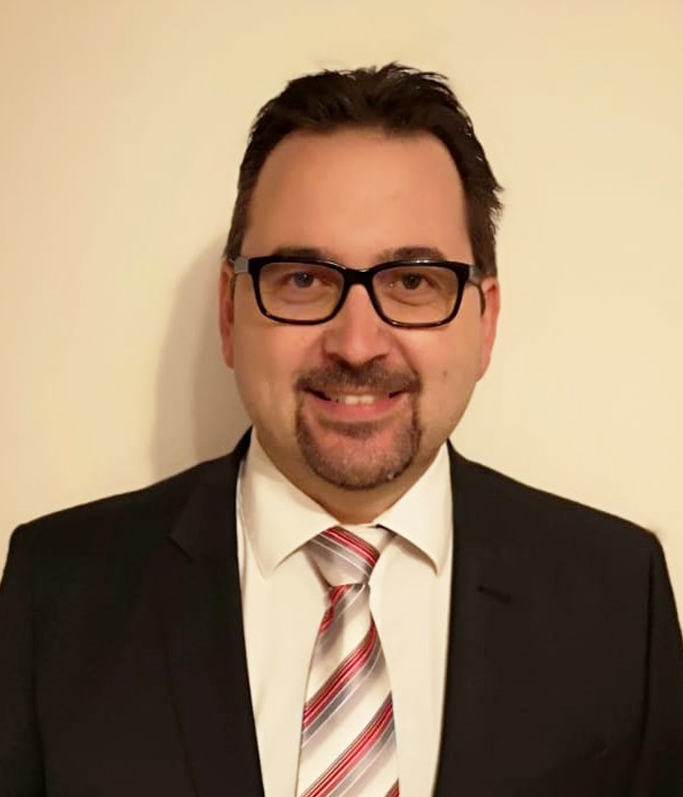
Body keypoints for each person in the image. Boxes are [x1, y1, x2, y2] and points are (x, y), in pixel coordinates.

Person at [1, 64, 682, 797]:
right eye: (302, 279)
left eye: (413, 281)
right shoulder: (57, 595)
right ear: (229, 311)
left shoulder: (620, 599)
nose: (357, 344)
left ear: (484, 322)